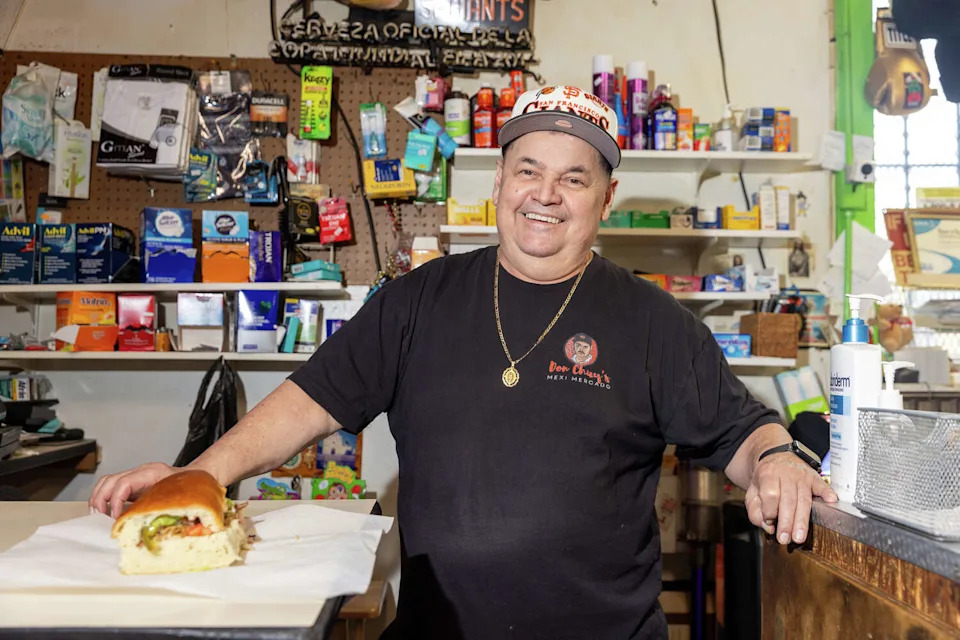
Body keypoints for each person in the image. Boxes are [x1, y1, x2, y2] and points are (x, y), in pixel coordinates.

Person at [91, 86, 837, 639]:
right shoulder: (416, 300)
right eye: (527, 170)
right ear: (499, 183)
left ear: (606, 198)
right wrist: (199, 476)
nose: (545, 195)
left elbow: (741, 430)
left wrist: (777, 460)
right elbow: (309, 401)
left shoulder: (653, 322)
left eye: (574, 179)